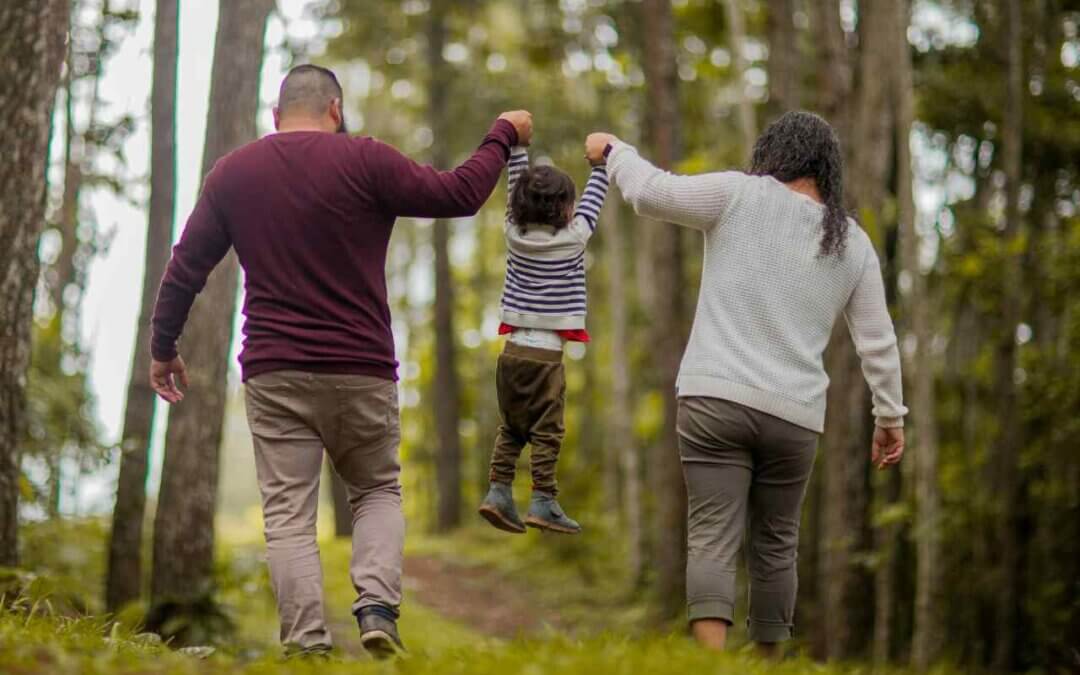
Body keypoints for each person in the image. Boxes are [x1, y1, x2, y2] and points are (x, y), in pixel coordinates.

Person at [148, 63, 533, 659]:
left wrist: (163, 347)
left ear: (276, 117)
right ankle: (378, 607)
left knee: (288, 517)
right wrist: (502, 133)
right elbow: (459, 194)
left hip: (274, 371)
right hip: (361, 367)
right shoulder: (365, 159)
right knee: (377, 489)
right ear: (335, 109)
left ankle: (306, 646)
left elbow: (186, 267)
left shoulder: (235, 173)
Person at [584, 111, 907, 656]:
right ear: (827, 170)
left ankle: (713, 665)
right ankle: (767, 664)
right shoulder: (851, 243)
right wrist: (890, 417)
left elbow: (650, 193)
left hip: (715, 400)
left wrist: (615, 150)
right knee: (777, 546)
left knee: (712, 535)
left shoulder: (738, 195)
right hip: (795, 416)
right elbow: (877, 340)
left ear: (773, 154)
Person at [477, 139, 609, 536]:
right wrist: (600, 166)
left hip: (512, 354)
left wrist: (517, 151)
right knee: (547, 432)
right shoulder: (575, 237)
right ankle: (543, 500)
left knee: (512, 428)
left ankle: (498, 490)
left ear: (517, 207)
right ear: (567, 210)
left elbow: (516, 183)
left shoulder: (512, 235)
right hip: (546, 360)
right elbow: (594, 199)